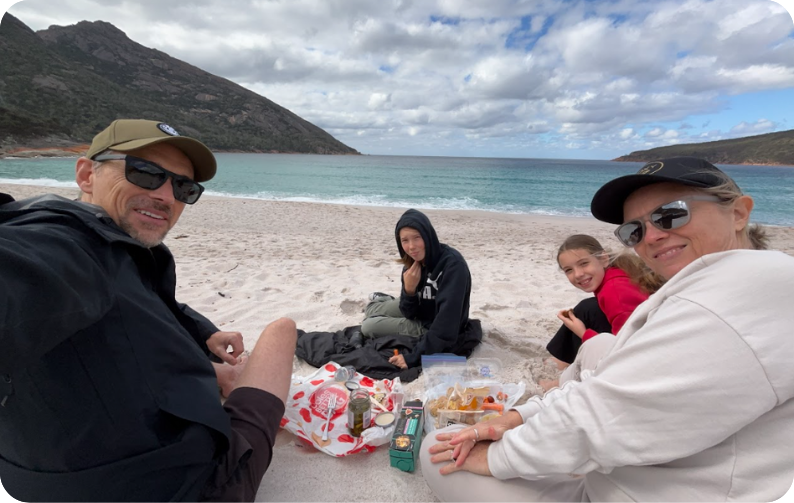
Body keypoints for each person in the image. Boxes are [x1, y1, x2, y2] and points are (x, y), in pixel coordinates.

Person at [420, 156, 794, 502]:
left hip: (635, 490)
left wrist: (498, 456)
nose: (651, 237)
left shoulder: (729, 298)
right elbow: (609, 385)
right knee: (597, 350)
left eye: (671, 214)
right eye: (634, 230)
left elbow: (600, 419)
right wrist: (518, 417)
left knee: (434, 449)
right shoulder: (731, 283)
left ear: (739, 213)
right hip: (649, 468)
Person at [0, 119, 297, 503]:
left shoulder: (108, 242)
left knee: (225, 369)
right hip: (192, 485)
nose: (166, 197)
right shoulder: (63, 247)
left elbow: (145, 301)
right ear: (87, 174)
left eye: (183, 187)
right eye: (145, 172)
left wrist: (202, 332)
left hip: (43, 478)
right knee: (282, 330)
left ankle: (217, 375)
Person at [542, 234, 663, 390]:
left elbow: (628, 348)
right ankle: (562, 361)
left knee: (587, 311)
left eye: (584, 263)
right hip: (643, 335)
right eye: (569, 270)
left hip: (648, 356)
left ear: (603, 259)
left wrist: (583, 333)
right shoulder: (615, 274)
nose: (578, 274)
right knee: (588, 308)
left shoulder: (615, 290)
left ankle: (563, 379)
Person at [361, 208, 472, 369]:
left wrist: (414, 357)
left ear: (428, 236)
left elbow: (446, 325)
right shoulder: (411, 263)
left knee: (368, 326)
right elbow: (409, 312)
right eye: (405, 240)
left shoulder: (453, 266)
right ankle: (386, 300)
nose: (412, 247)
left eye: (417, 238)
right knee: (370, 309)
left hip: (431, 323)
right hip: (419, 309)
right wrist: (409, 290)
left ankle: (385, 301)